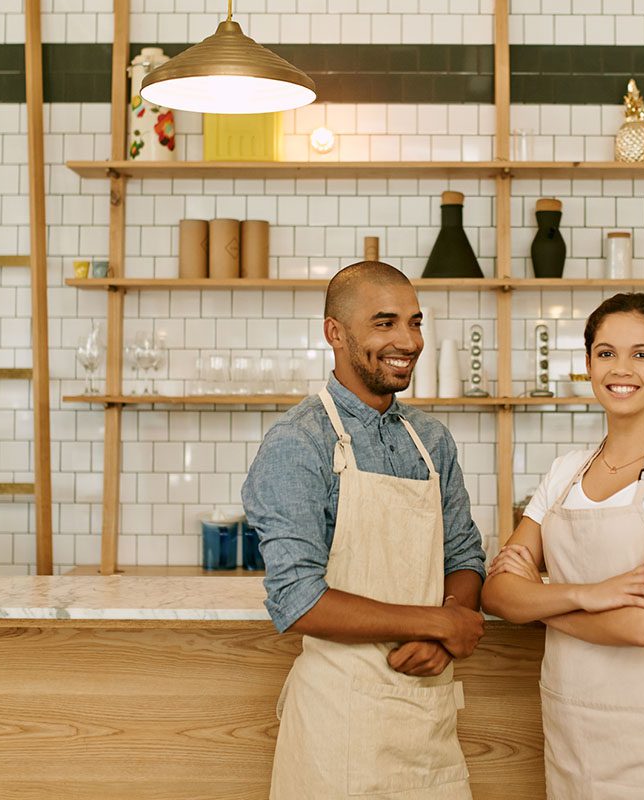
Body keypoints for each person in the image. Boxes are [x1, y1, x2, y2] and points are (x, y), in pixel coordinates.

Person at [242, 260, 487, 799]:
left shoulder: (431, 440)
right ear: (335, 332)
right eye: (385, 323)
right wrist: (440, 623)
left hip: (429, 728)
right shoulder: (298, 442)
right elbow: (297, 598)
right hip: (340, 732)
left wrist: (446, 629)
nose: (408, 340)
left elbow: (465, 555)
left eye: (415, 322)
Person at [481, 292, 644, 800]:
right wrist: (593, 594)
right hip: (570, 729)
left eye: (642, 354)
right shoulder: (564, 472)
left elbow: (641, 626)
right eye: (606, 352)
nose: (622, 369)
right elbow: (498, 595)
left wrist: (540, 601)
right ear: (589, 363)